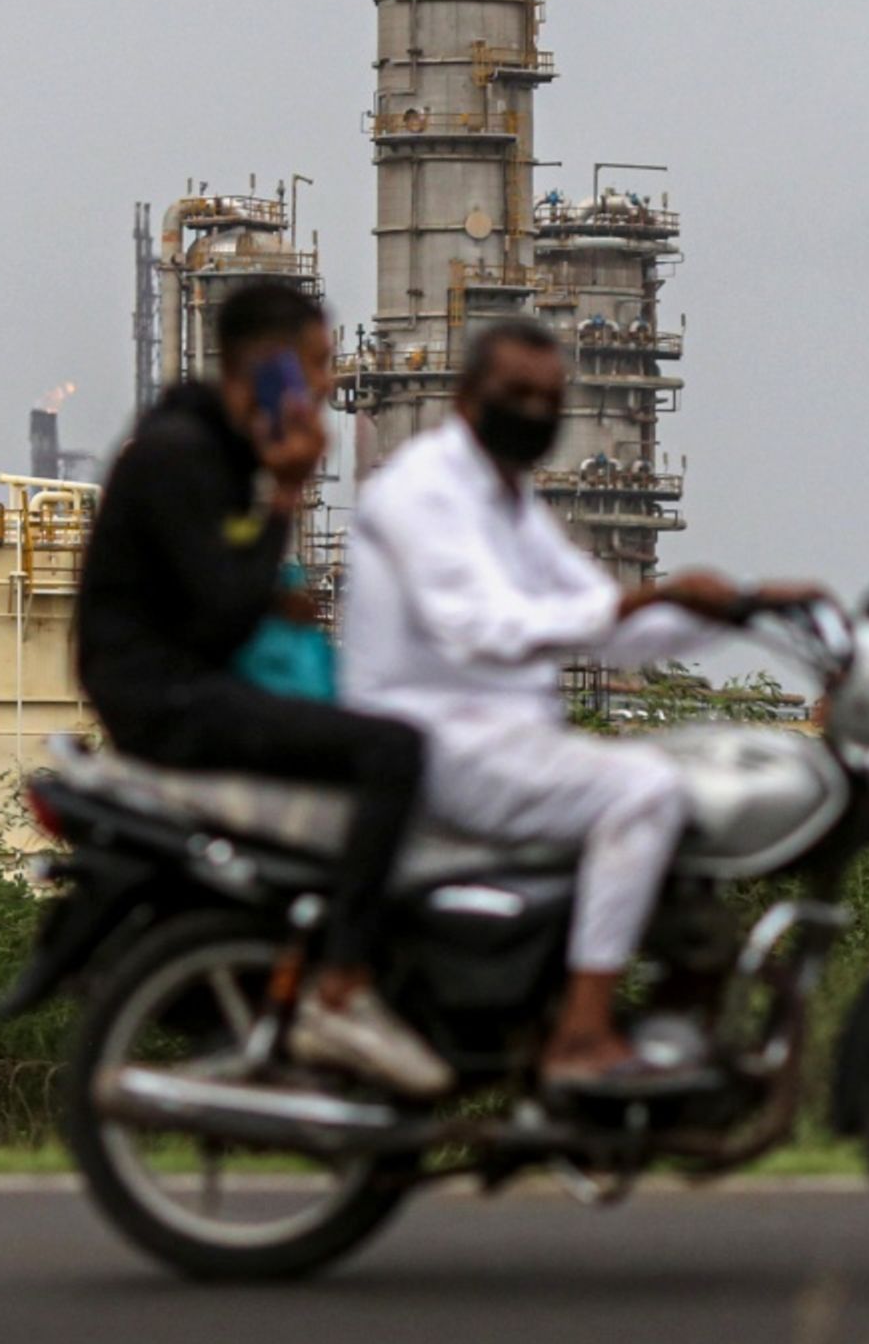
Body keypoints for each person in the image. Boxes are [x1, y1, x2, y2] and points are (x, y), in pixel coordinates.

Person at [343, 317, 812, 1093]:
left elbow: (603, 618)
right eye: (515, 393)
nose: (533, 410)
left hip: (505, 735)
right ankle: (583, 1033)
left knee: (692, 781)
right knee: (643, 791)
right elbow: (480, 627)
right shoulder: (421, 489)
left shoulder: (510, 502)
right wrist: (645, 601)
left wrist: (743, 608)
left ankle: (666, 1007)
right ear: (466, 398)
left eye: (548, 397)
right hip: (437, 739)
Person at [75, 279, 448, 1098]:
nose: (325, 384)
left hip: (180, 682)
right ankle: (343, 987)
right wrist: (286, 495)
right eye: (315, 364)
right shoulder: (180, 455)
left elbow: (219, 582)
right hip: (167, 699)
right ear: (269, 365)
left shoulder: (200, 444)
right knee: (394, 754)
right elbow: (219, 616)